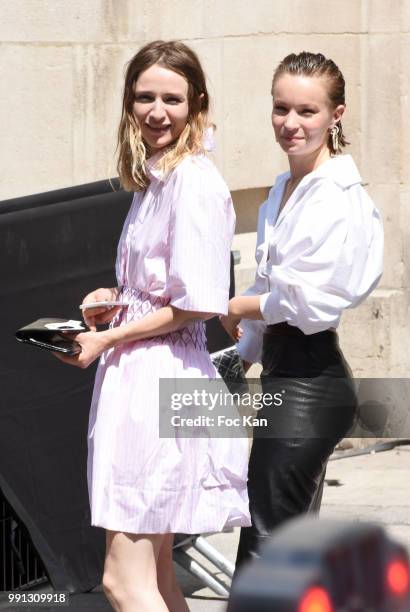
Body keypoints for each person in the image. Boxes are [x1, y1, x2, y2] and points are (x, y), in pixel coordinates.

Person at [53, 40, 250, 612]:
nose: (157, 111)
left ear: (196, 105)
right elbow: (164, 289)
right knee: (160, 576)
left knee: (123, 581)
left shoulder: (192, 181)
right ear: (128, 103)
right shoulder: (157, 177)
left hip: (158, 386)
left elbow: (199, 303)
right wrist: (113, 301)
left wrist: (107, 339)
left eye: (172, 98)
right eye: (145, 97)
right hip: (148, 376)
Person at [220, 51, 383, 568]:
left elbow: (307, 301)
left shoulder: (336, 195)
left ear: (336, 115)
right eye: (280, 108)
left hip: (310, 386)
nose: (290, 124)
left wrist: (236, 305)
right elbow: (273, 285)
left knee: (265, 549)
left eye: (307, 112)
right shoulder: (281, 188)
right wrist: (243, 350)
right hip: (284, 377)